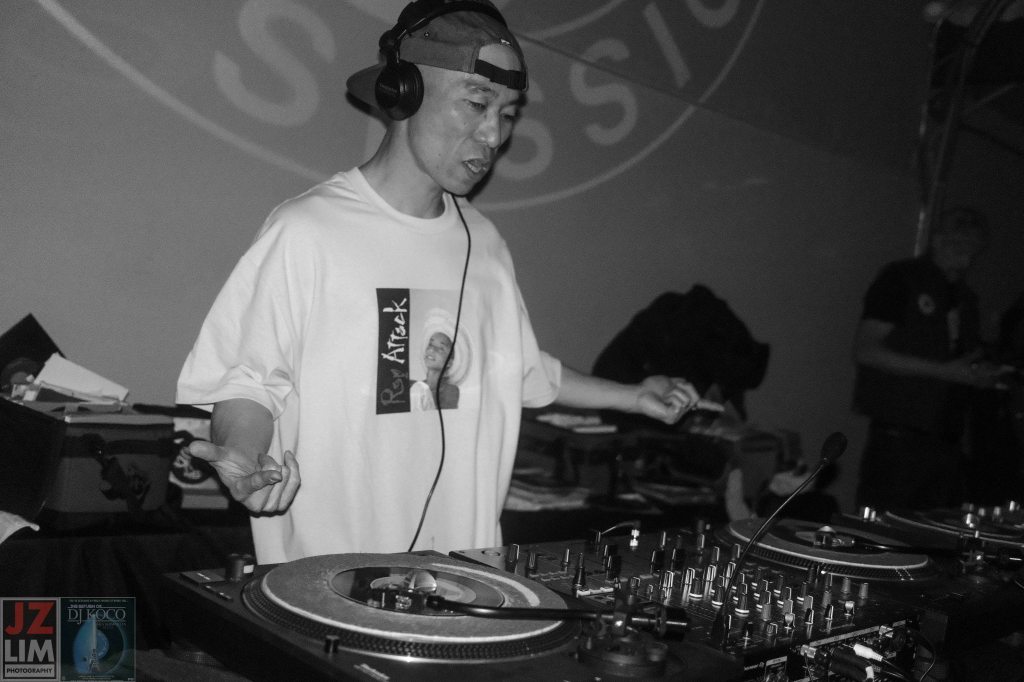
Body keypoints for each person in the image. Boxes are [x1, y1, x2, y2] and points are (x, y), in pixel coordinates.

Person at [176, 0, 701, 564]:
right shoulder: (307, 230)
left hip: (465, 577)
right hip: (327, 580)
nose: (494, 134)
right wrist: (244, 455)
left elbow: (521, 369)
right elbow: (249, 380)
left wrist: (633, 396)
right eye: (477, 103)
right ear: (404, 93)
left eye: (507, 113)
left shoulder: (485, 243)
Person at [852, 206, 1008, 512]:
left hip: (947, 440)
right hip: (900, 437)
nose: (965, 250)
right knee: (882, 528)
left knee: (932, 531)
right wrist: (944, 372)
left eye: (973, 243)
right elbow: (866, 350)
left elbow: (959, 362)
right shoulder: (901, 279)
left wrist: (980, 374)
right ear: (936, 239)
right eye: (957, 240)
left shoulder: (966, 299)